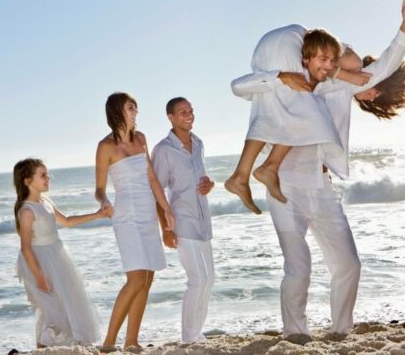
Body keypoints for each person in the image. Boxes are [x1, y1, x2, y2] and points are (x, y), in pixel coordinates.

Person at [231, 0, 405, 336]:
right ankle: (295, 335)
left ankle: (341, 331)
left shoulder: (338, 86)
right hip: (284, 185)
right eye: (327, 60)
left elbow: (381, 68)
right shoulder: (289, 80)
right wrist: (277, 78)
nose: (333, 65)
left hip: (322, 187)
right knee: (298, 267)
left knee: (349, 264)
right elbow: (241, 86)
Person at [224, 25, 370, 214]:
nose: (329, 65)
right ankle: (269, 167)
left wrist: (282, 77)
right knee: (310, 107)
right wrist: (345, 74)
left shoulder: (302, 53)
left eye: (332, 61)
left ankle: (241, 175)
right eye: (326, 59)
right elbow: (354, 61)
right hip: (284, 44)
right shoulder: (326, 45)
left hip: (262, 51)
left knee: (270, 105)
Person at [95, 92, 176, 349]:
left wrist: (166, 209)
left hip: (147, 213)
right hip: (127, 215)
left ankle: (131, 341)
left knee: (148, 277)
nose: (136, 112)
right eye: (131, 107)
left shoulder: (141, 139)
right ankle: (108, 343)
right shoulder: (106, 146)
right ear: (118, 111)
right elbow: (99, 187)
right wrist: (104, 201)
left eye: (136, 108)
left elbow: (152, 178)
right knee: (136, 278)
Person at [13, 158, 109, 348]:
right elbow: (25, 247)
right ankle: (42, 348)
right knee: (50, 309)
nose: (48, 178)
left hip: (57, 255)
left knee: (65, 303)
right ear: (27, 181)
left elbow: (67, 221)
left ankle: (49, 347)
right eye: (43, 175)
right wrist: (39, 276)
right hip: (38, 261)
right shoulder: (27, 211)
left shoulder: (45, 201)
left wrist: (97, 215)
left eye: (47, 174)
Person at [152, 97, 216, 343]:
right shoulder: (163, 150)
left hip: (203, 219)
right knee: (197, 278)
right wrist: (166, 229)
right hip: (181, 220)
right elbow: (157, 191)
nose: (188, 115)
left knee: (209, 279)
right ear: (170, 117)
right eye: (182, 112)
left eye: (190, 111)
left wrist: (209, 184)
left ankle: (197, 332)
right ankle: (188, 336)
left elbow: (200, 179)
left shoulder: (198, 143)